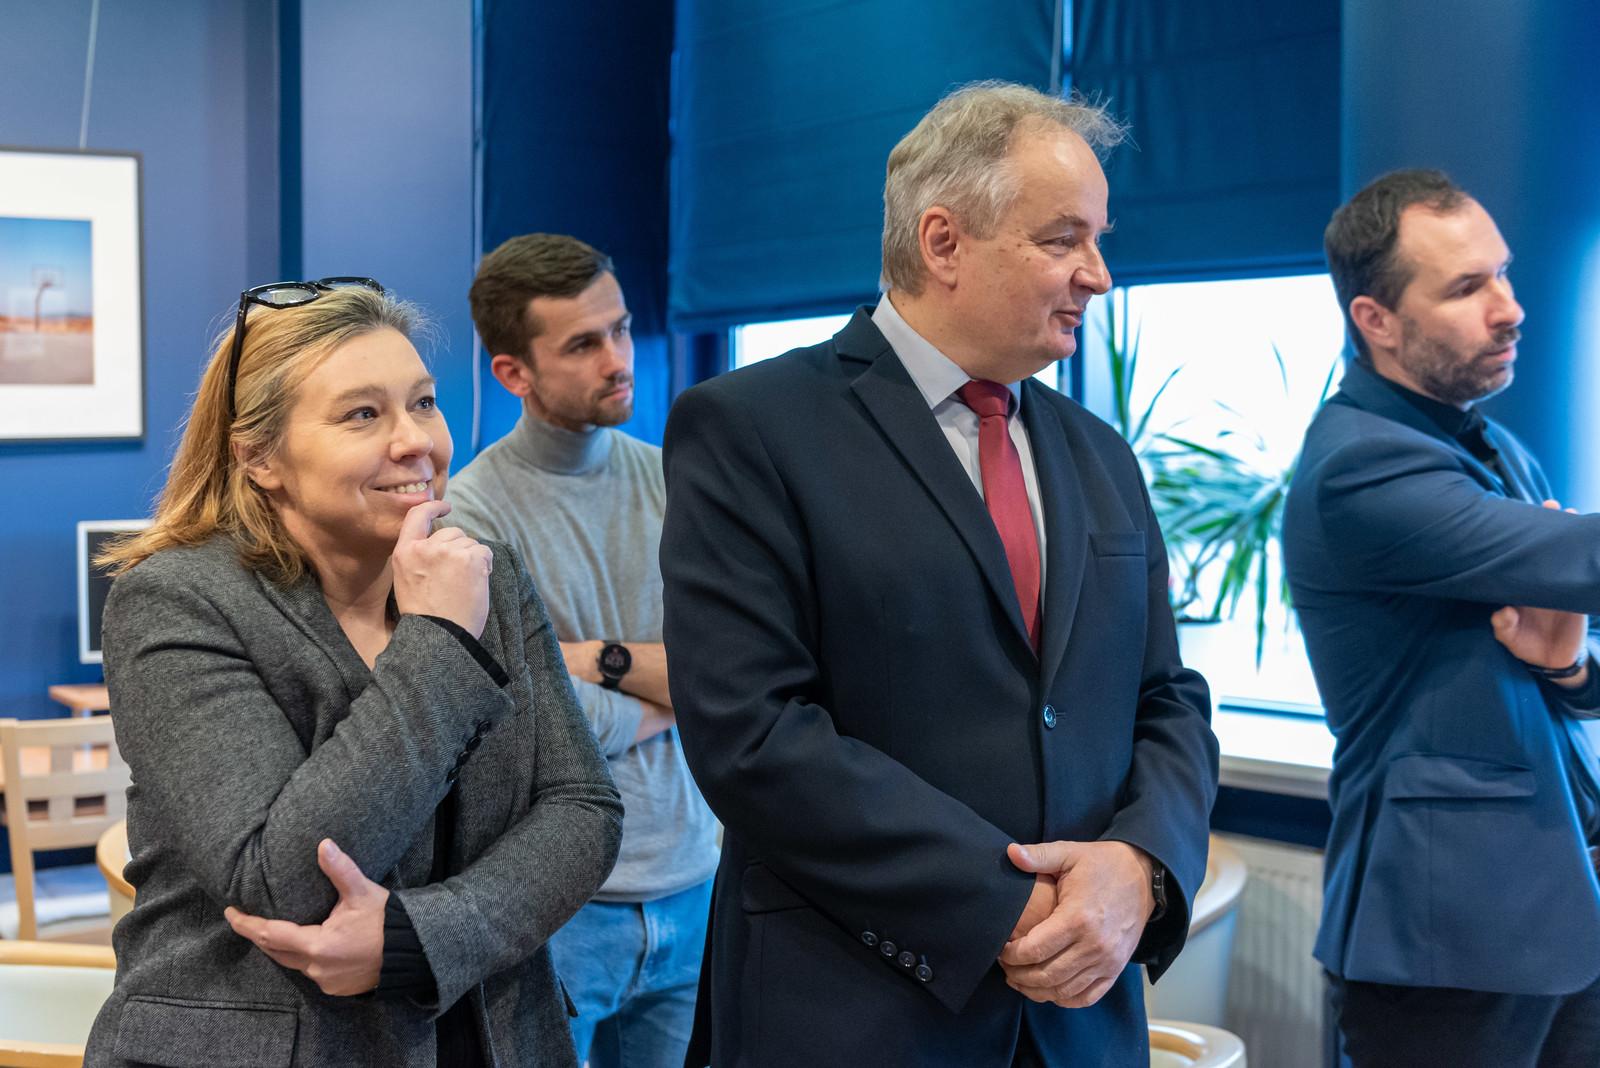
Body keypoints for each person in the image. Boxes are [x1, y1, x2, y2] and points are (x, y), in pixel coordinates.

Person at [658, 81, 1219, 1067]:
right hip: (856, 1013)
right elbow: (753, 733)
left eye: (1099, 240)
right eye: (1063, 239)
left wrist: (1140, 867)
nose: (1098, 275)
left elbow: (1166, 696)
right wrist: (1003, 901)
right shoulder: (751, 428)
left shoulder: (1101, 453)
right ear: (944, 242)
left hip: (1082, 1023)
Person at [84, 281, 623, 1068]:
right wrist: (441, 639)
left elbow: (583, 807)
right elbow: (283, 881)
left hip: (493, 1037)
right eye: (363, 414)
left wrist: (420, 938)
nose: (416, 441)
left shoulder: (487, 572)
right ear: (258, 457)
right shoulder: (176, 600)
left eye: (424, 403)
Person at [1283, 169, 1600, 1067]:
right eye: (1467, 288)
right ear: (1375, 319)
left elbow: (1566, 652)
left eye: (1502, 273)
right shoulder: (1359, 469)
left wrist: (1569, 668)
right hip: (1445, 933)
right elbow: (1584, 563)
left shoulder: (1499, 448)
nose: (1510, 308)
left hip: (1562, 903)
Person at [446, 234, 718, 1068]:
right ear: (513, 373)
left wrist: (589, 658)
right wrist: (675, 696)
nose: (618, 358)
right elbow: (522, 719)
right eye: (583, 344)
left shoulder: (679, 478)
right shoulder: (473, 515)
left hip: (696, 884)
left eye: (622, 329)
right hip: (562, 904)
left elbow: (732, 669)